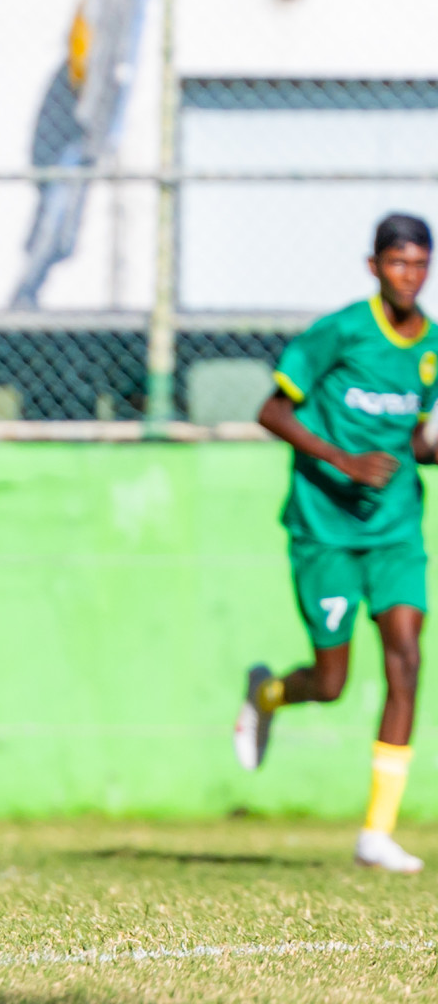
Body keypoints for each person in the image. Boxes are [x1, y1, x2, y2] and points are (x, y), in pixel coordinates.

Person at [234, 213, 438, 873]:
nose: (410, 275)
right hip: (325, 528)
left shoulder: (430, 347)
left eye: (421, 263)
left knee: (405, 658)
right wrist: (343, 463)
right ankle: (265, 695)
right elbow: (272, 410)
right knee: (331, 682)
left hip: (396, 530)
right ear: (375, 266)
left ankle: (376, 833)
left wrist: (427, 450)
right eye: (398, 262)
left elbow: (412, 439)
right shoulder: (342, 331)